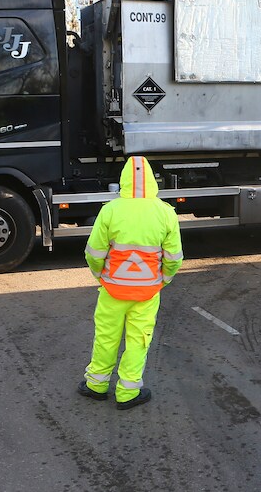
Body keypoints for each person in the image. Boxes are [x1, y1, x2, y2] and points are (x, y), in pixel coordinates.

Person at [79, 156, 183, 410]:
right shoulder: (165, 212)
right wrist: (163, 281)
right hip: (147, 292)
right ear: (152, 180)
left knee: (106, 337)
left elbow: (93, 253)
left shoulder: (110, 210)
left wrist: (101, 276)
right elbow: (174, 258)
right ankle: (127, 392)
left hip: (112, 290)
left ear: (124, 181)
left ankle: (96, 385)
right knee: (139, 340)